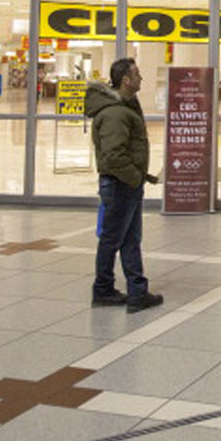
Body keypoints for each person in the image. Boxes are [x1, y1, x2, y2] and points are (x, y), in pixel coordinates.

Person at [87, 58, 163, 313]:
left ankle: (136, 291)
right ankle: (104, 289)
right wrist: (133, 178)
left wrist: (143, 178)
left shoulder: (124, 108)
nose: (141, 78)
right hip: (120, 184)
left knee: (129, 238)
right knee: (113, 239)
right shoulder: (116, 113)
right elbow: (114, 156)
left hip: (125, 183)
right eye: (137, 74)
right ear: (126, 80)